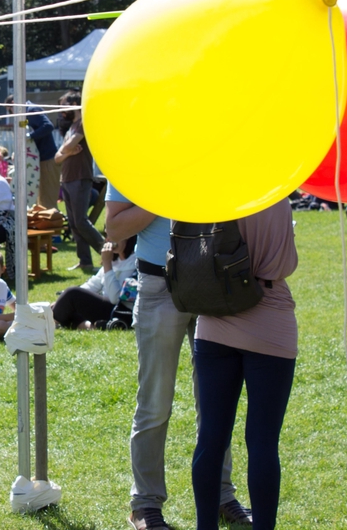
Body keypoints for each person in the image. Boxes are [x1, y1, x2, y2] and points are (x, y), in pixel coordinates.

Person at [105, 186, 251, 530]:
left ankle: (221, 494)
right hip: (158, 284)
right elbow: (115, 229)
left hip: (213, 280)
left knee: (215, 401)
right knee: (154, 403)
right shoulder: (135, 157)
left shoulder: (207, 146)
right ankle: (144, 504)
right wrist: (166, 193)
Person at [191, 201, 298, 530]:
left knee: (210, 437)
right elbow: (287, 263)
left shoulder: (217, 188)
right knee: (263, 441)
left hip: (215, 313)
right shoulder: (277, 191)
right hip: (270, 317)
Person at [55, 90, 105, 272]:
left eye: (64, 104)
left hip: (80, 177)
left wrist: (66, 151)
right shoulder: (71, 127)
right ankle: (85, 262)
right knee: (74, 224)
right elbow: (57, 157)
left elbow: (65, 148)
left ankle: (109, 254)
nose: (61, 109)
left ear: (75, 103)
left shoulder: (83, 123)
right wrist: (67, 151)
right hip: (67, 178)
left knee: (81, 221)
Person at [51, 239, 137, 330]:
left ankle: (48, 321)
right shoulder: (114, 260)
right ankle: (90, 326)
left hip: (121, 310)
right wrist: (63, 301)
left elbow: (115, 299)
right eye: (107, 235)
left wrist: (107, 264)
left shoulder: (135, 262)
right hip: (108, 308)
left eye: (114, 235)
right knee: (70, 303)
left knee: (72, 292)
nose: (109, 240)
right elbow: (92, 285)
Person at [6, 95, 59, 208]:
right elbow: (23, 132)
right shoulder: (25, 114)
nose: (11, 113)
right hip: (38, 159)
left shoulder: (32, 110)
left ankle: (51, 221)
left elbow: (48, 126)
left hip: (47, 158)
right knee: (39, 198)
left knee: (47, 196)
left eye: (10, 109)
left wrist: (30, 136)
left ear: (14, 103)